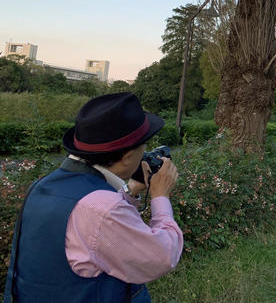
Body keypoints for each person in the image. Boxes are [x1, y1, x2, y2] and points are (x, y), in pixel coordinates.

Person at [3, 92, 184, 303]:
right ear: (126, 157)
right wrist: (160, 196)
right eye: (144, 146)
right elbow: (162, 256)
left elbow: (84, 230)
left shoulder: (42, 186)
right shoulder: (104, 209)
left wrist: (130, 190)